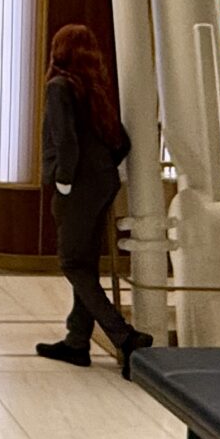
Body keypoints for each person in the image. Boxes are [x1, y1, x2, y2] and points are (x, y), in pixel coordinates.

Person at [37, 22, 154, 373]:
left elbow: (66, 141)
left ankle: (124, 336)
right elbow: (122, 142)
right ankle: (76, 340)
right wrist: (101, 169)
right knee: (84, 263)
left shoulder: (59, 87)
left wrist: (64, 181)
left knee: (72, 263)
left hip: (78, 187)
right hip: (102, 184)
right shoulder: (95, 89)